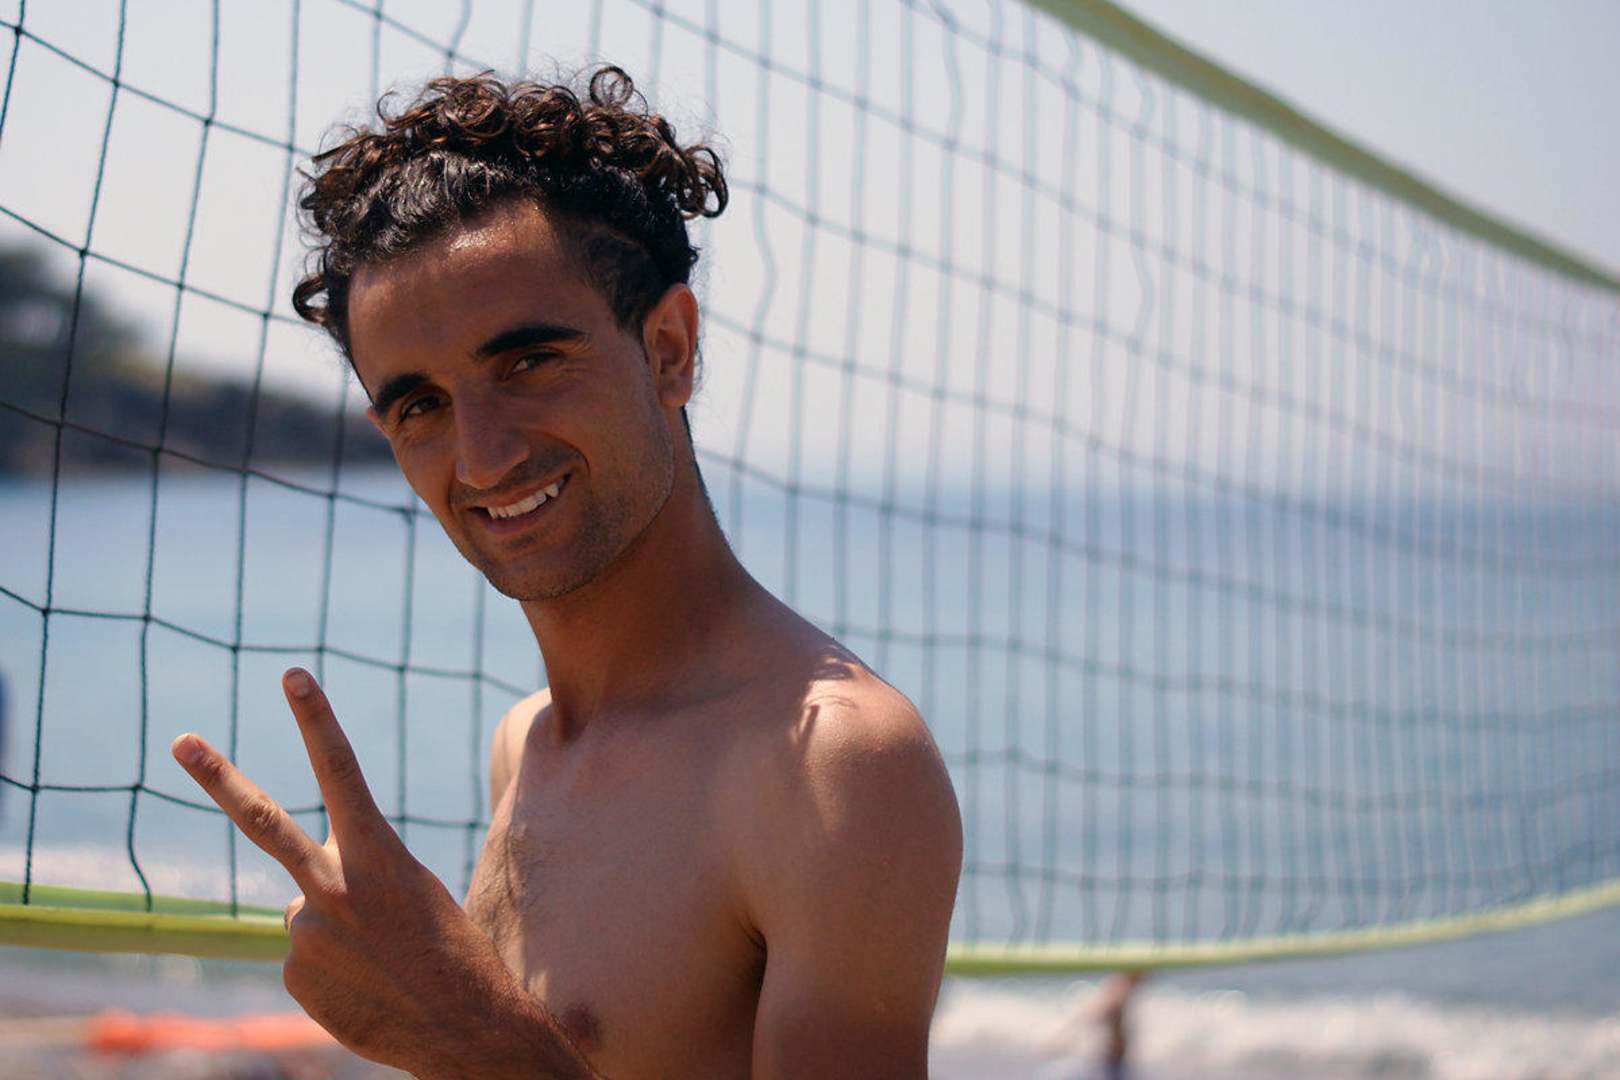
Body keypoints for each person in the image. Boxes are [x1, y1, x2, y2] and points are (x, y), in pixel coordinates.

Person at [170, 67, 963, 1078]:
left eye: (528, 364)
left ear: (668, 349)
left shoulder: (834, 763)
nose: (483, 458)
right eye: (422, 406)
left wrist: (470, 1032)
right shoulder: (525, 743)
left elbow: (491, 1049)